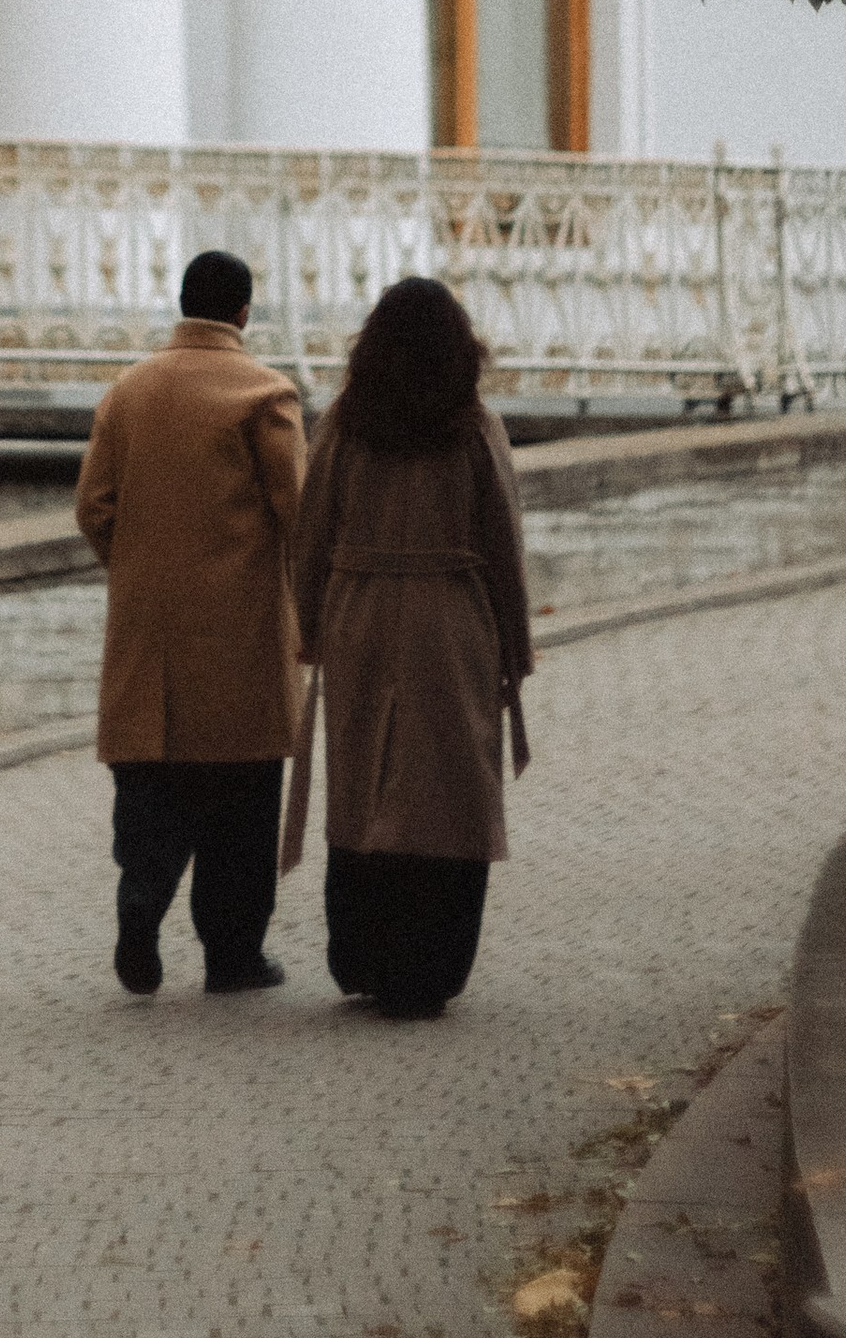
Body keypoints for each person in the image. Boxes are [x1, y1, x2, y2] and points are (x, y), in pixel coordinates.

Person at [286, 275, 533, 1020]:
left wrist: (311, 627)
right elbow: (503, 540)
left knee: (363, 781)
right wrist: (515, 649)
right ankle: (431, 965)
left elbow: (311, 531)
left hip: (360, 616)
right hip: (451, 620)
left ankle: (365, 956)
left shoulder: (344, 425)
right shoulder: (475, 428)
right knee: (448, 786)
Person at [75, 247, 306, 999]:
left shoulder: (129, 391)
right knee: (242, 800)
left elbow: (93, 507)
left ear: (182, 303)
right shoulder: (265, 393)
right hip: (241, 636)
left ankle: (140, 901)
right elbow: (298, 513)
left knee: (150, 782)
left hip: (148, 634)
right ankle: (232, 956)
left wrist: (140, 567)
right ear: (243, 312)